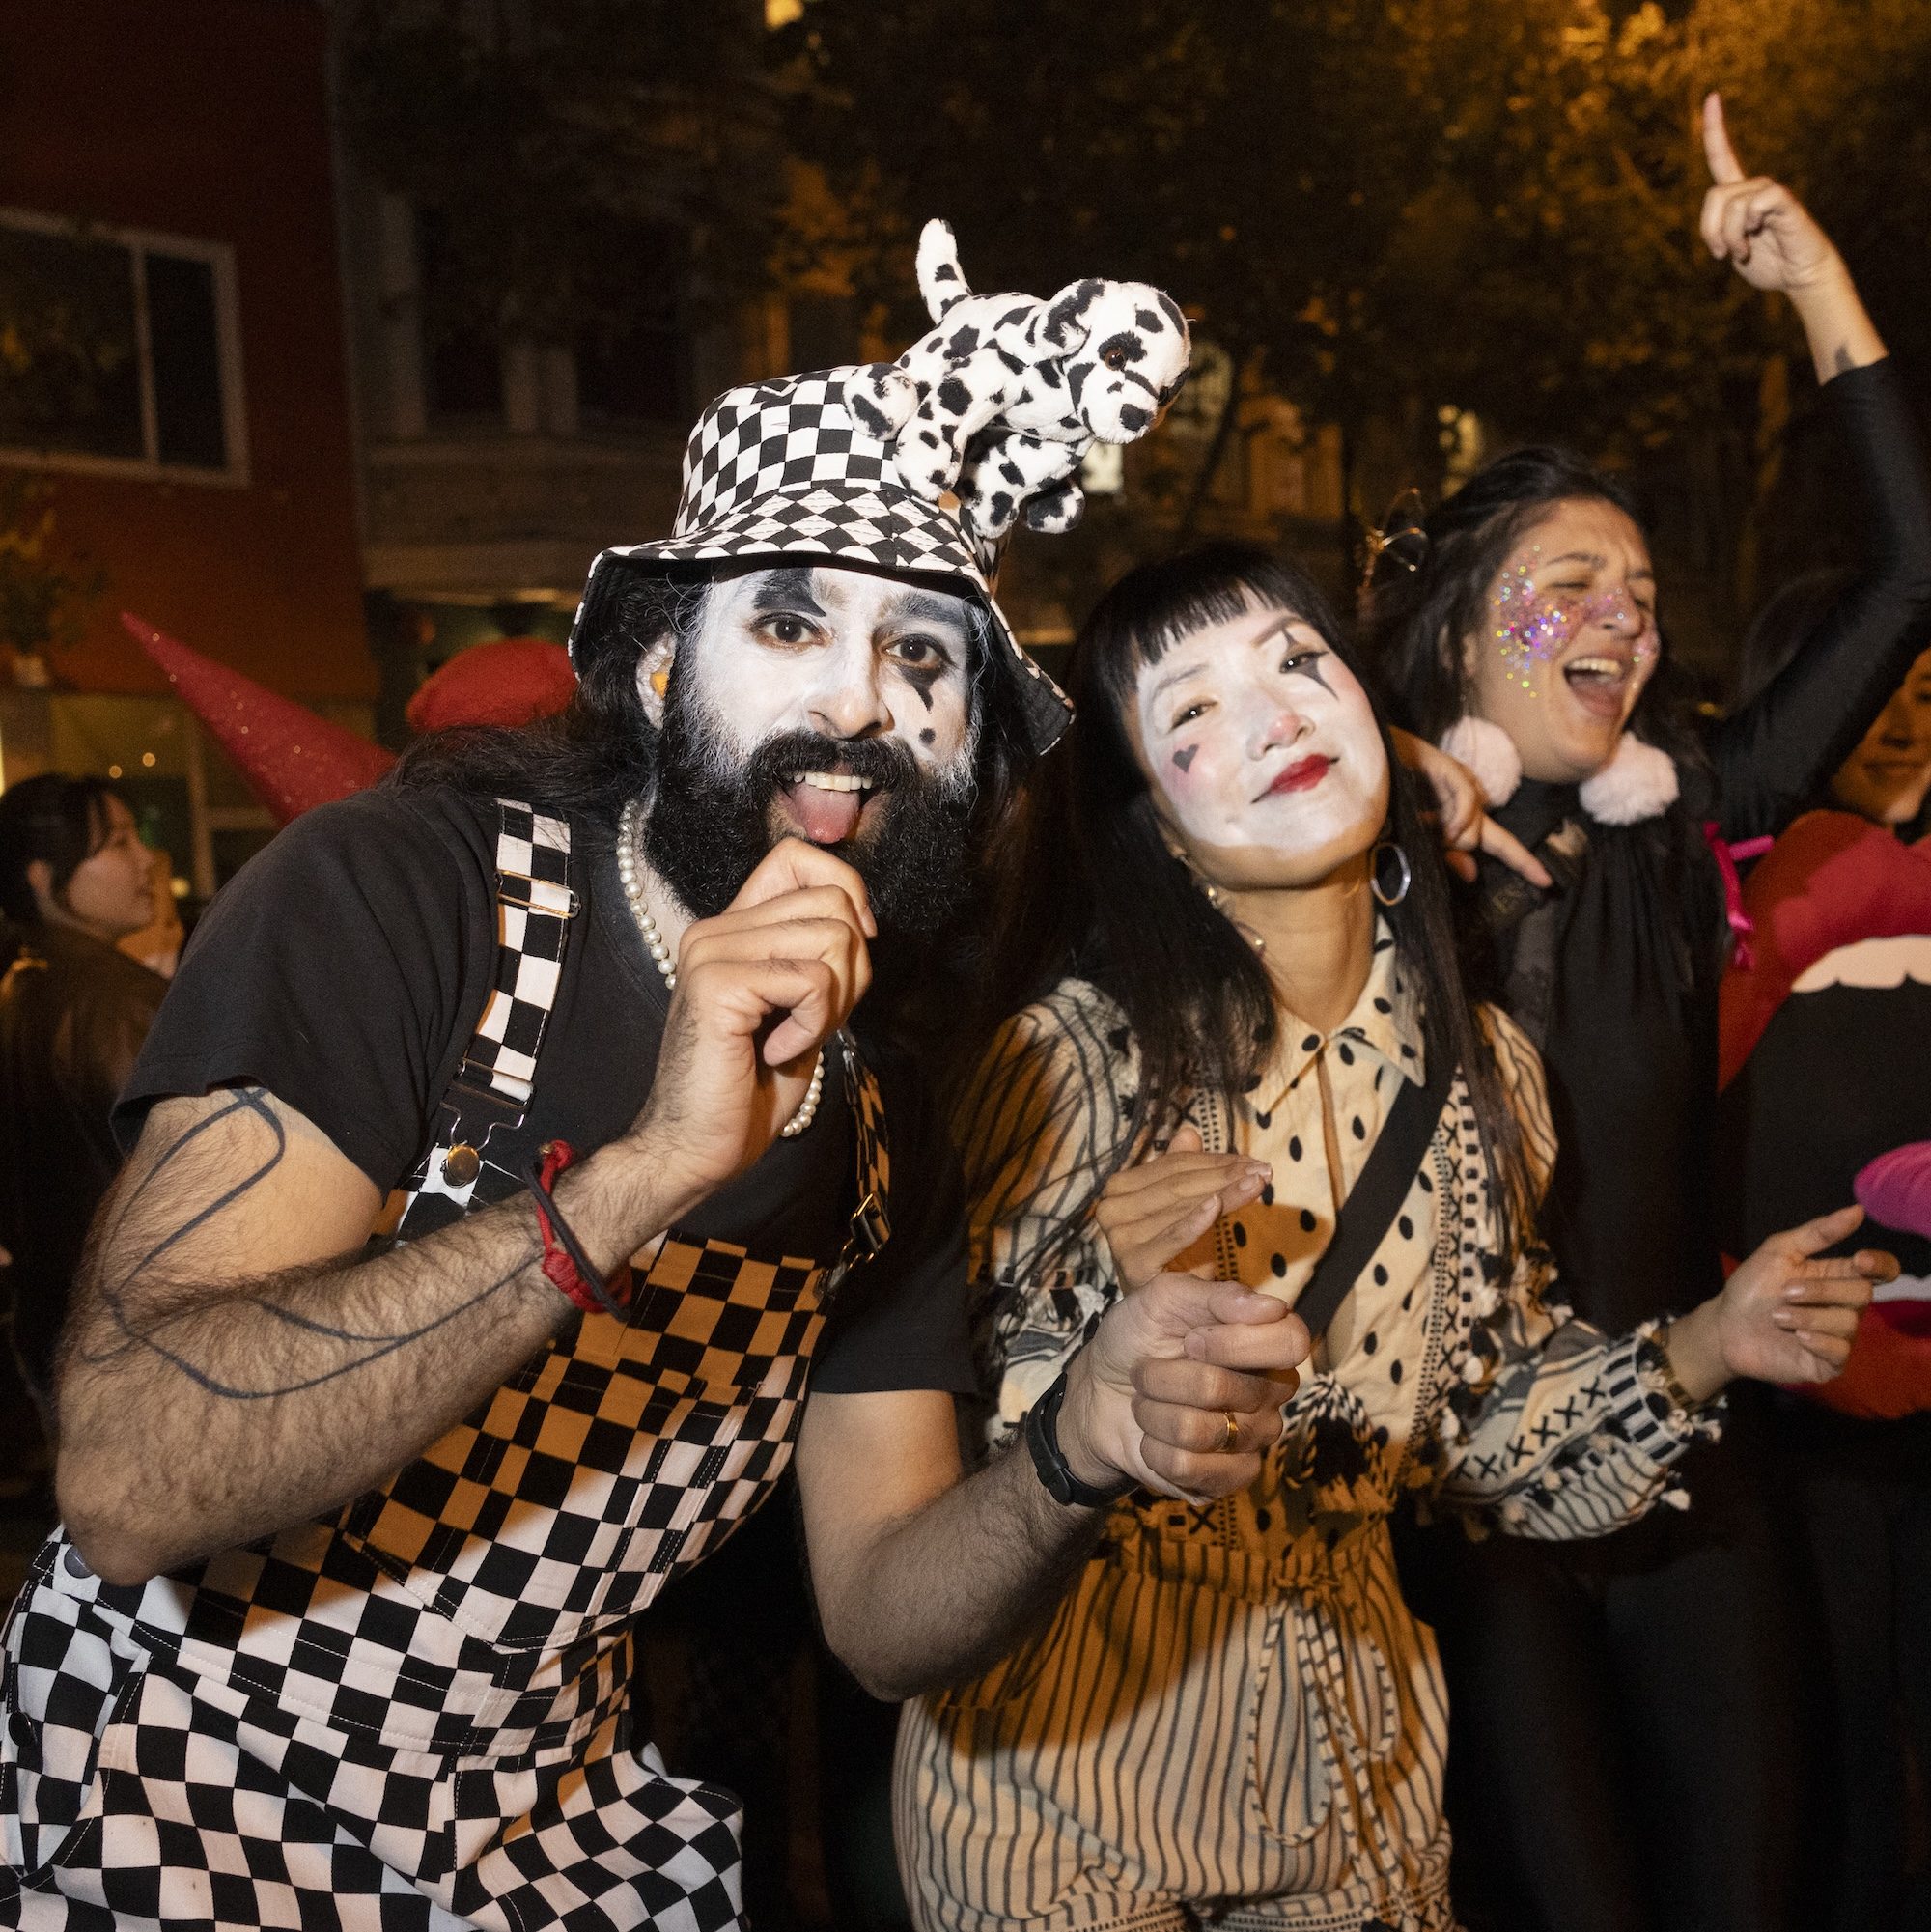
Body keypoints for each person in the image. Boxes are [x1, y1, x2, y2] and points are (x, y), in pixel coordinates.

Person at [0, 346, 1311, 1930]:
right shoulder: (407, 898)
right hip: (175, 1812)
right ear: (659, 675)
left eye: (924, 657)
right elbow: (130, 1475)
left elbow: (884, 1607)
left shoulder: (891, 1109)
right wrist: (639, 1178)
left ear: (972, 755)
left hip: (540, 1847)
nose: (857, 703)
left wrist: (1077, 1450)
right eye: (784, 623)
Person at [892, 542, 1887, 1932]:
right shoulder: (1072, 1066)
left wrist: (1716, 1343)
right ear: (1157, 829)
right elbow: (916, 1475)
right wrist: (1082, 1294)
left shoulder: (1490, 1076)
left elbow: (1470, 1437)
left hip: (1354, 1779)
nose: (1274, 714)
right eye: (1192, 713)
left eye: (1299, 665)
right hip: (1066, 1773)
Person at [1365, 96, 1931, 1932]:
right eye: (1567, 588)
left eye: (1643, 591)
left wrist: (1820, 287)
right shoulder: (1351, 860)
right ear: (1458, 636)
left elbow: (1917, 575)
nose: (1622, 613)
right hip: (1481, 1510)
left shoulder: (1681, 827)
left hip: (1705, 1478)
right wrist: (1370, 784)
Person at [1714, 615, 1931, 1931]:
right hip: (1794, 1404)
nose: (1906, 714)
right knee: (1834, 1728)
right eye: (1882, 685)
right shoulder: (1727, 890)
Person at [0, 775, 167, 1413]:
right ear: (43, 877)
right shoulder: (113, 1001)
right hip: (136, 1344)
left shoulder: (20, 984)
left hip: (51, 1331)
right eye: (119, 842)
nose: (145, 857)